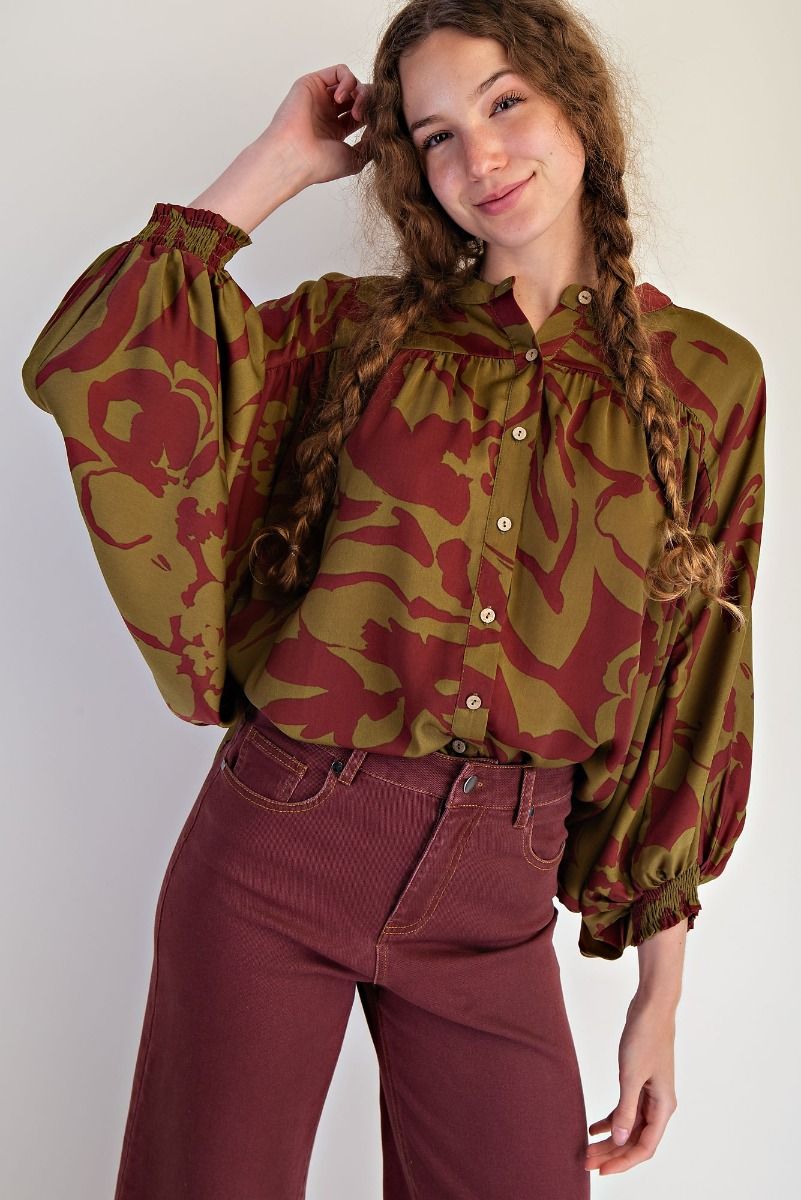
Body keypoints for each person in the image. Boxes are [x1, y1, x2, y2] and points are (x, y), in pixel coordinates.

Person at [20, 0, 766, 1196]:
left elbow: (694, 687)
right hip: (279, 850)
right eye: (436, 136)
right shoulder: (354, 336)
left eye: (506, 102)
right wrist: (278, 162)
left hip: (498, 899)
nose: (483, 157)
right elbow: (105, 353)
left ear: (579, 102)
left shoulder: (710, 383)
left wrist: (658, 998)